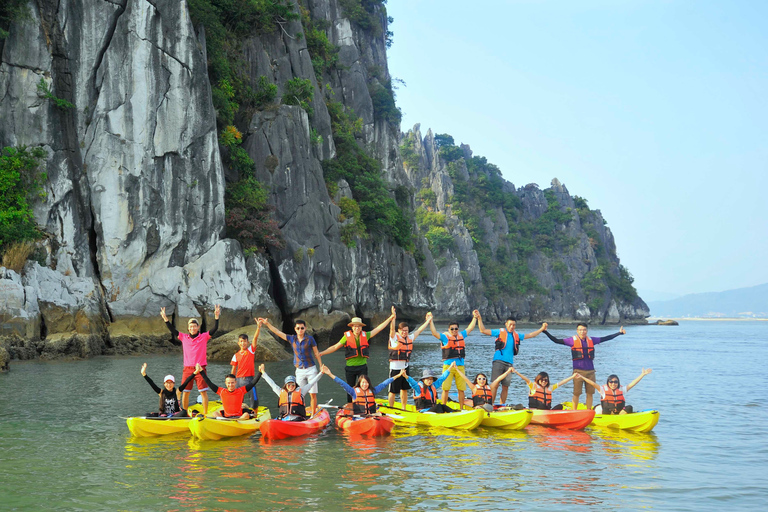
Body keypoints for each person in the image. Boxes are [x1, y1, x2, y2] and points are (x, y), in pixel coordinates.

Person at [543, 323, 627, 411]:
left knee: (590, 393)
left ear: (587, 331)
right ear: (577, 331)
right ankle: (574, 412)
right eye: (580, 330)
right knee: (577, 393)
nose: (582, 332)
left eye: (584, 330)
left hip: (590, 371)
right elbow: (556, 340)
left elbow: (605, 338)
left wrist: (619, 333)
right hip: (578, 372)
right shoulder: (572, 340)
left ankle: (588, 411)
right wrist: (545, 332)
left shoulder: (591, 340)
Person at [319, 309, 396, 403]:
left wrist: (390, 318)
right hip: (350, 368)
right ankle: (350, 405)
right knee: (350, 389)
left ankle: (364, 404)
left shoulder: (366, 335)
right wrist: (322, 353)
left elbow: (378, 329)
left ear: (361, 327)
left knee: (364, 387)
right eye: (355, 326)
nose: (357, 328)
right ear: (352, 327)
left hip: (362, 367)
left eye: (359, 326)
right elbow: (335, 346)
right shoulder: (346, 337)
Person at [473, 310, 548, 403]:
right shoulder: (499, 332)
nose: (512, 327)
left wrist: (542, 328)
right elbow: (483, 330)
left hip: (509, 364)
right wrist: (479, 318)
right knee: (495, 385)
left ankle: (502, 405)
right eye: (510, 324)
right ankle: (490, 405)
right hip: (498, 361)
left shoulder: (516, 335)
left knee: (505, 387)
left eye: (514, 325)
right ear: (506, 324)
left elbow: (531, 335)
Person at [161, 304, 221, 414]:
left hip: (201, 369)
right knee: (185, 392)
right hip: (188, 369)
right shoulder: (184, 337)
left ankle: (205, 414)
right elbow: (172, 330)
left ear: (198, 327)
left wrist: (216, 317)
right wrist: (165, 319)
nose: (193, 328)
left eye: (195, 326)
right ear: (188, 328)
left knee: (203, 392)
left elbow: (215, 329)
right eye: (191, 327)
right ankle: (184, 413)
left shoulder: (203, 337)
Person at [259, 317, 323, 416]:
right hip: (299, 370)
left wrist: (321, 366)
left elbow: (316, 353)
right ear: (295, 329)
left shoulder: (310, 339)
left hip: (311, 368)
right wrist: (267, 324)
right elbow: (278, 332)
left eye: (302, 328)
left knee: (312, 394)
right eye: (298, 328)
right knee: (298, 394)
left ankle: (313, 414)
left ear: (305, 328)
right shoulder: (292, 339)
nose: (300, 330)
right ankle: (300, 413)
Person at [427, 314, 478, 407]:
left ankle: (462, 408)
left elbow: (470, 328)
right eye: (452, 329)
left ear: (458, 329)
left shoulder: (461, 335)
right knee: (446, 388)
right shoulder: (445, 337)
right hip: (448, 366)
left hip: (460, 366)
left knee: (461, 389)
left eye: (456, 329)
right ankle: (443, 407)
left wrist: (475, 317)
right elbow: (434, 333)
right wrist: (430, 321)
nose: (454, 330)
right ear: (449, 330)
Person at [387, 309, 432, 409]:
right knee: (393, 390)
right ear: (399, 331)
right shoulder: (394, 338)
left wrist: (428, 321)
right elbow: (391, 330)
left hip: (405, 367)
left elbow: (419, 330)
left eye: (406, 331)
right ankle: (390, 408)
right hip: (395, 368)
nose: (404, 332)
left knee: (404, 389)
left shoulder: (410, 338)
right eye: (403, 331)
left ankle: (404, 408)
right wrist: (393, 317)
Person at [321, 365, 405, 416]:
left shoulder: (373, 391)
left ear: (369, 383)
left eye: (366, 383)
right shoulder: (353, 391)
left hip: (371, 415)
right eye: (363, 383)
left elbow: (385, 383)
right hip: (359, 416)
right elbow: (342, 383)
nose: (365, 384)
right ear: (360, 383)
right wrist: (330, 374)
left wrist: (398, 376)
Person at [259, 364, 324, 421]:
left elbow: (311, 383)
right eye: (289, 385)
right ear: (286, 385)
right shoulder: (280, 392)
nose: (291, 386)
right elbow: (271, 383)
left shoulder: (301, 391)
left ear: (295, 385)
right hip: (285, 419)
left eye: (293, 384)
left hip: (297, 419)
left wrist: (321, 373)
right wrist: (263, 372)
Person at [196, 364, 260, 419]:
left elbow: (252, 383)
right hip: (226, 419)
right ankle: (223, 421)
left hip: (239, 418)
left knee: (246, 415)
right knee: (215, 413)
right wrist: (201, 371)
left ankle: (237, 423)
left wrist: (260, 372)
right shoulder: (221, 391)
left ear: (235, 383)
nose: (230, 385)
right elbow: (209, 382)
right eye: (228, 383)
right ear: (225, 383)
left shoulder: (241, 390)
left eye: (232, 383)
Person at [575, 369, 652, 414]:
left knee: (629, 407)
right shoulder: (603, 390)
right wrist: (582, 377)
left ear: (618, 383)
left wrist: (642, 374)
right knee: (604, 410)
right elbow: (593, 383)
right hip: (606, 412)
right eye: (611, 382)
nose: (613, 384)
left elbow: (633, 383)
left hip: (618, 412)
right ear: (608, 382)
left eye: (615, 382)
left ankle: (621, 417)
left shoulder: (621, 389)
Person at [511, 368, 578, 410]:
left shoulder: (550, 388)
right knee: (541, 405)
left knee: (560, 406)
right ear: (538, 380)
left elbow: (562, 382)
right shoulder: (533, 386)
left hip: (547, 411)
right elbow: (526, 379)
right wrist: (516, 372)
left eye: (545, 380)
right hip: (536, 410)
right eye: (542, 380)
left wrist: (572, 377)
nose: (543, 381)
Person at [230, 320, 262, 409]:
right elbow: (233, 369)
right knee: (238, 400)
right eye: (241, 341)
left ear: (248, 342)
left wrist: (258, 328)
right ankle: (238, 414)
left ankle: (254, 415)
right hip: (238, 380)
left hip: (249, 379)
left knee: (254, 399)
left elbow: (255, 339)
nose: (243, 343)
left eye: (245, 341)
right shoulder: (235, 355)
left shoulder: (250, 351)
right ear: (238, 343)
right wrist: (232, 381)